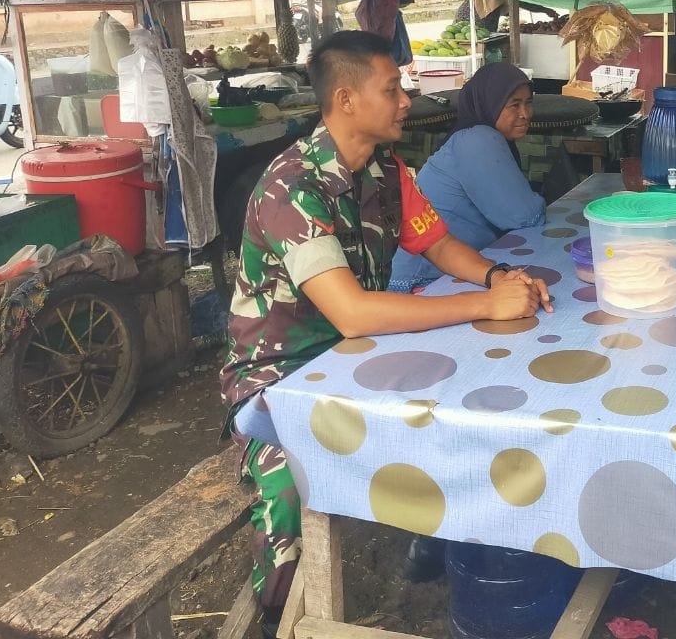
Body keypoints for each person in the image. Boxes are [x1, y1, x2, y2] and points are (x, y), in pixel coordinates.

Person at [220, 32, 553, 634]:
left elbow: (439, 244)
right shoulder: (292, 188)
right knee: (287, 489)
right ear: (346, 99)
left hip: (353, 352)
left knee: (464, 395)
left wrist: (499, 276)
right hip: (281, 377)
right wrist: (486, 302)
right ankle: (278, 614)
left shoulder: (384, 169)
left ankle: (436, 536)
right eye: (392, 89)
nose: (406, 101)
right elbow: (352, 312)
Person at [391, 62, 546, 291]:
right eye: (514, 105)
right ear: (489, 103)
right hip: (424, 279)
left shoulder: (477, 136)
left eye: (528, 103)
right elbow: (525, 217)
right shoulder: (477, 140)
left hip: (453, 267)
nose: (524, 114)